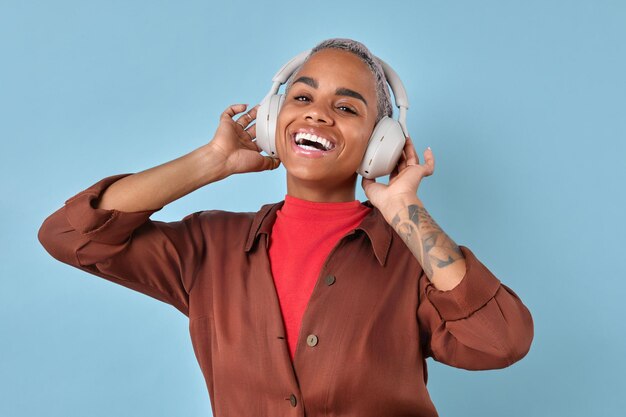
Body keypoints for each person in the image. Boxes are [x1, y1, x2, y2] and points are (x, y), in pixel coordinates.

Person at [38, 38, 534, 417]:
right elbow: (69, 235)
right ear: (276, 118)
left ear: (380, 143)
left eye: (346, 107)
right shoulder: (210, 246)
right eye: (301, 97)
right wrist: (213, 160)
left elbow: (501, 341)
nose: (317, 113)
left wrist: (405, 209)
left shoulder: (413, 259)